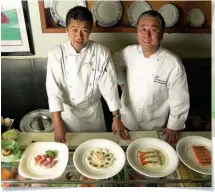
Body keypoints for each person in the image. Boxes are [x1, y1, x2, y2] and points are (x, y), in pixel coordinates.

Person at [46, 6, 129, 143]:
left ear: (90, 30)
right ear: (66, 29)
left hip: (94, 114)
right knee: (70, 150)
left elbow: (109, 88)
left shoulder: (102, 53)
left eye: (84, 30)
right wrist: (57, 123)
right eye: (74, 30)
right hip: (67, 115)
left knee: (97, 152)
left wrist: (116, 118)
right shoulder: (56, 54)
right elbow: (54, 91)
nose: (79, 36)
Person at [113, 10, 190, 144]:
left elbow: (179, 98)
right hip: (127, 123)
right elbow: (115, 64)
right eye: (143, 29)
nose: (147, 35)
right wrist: (121, 83)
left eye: (153, 30)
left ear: (162, 35)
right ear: (137, 32)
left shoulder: (172, 62)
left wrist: (173, 126)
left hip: (156, 127)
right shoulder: (128, 52)